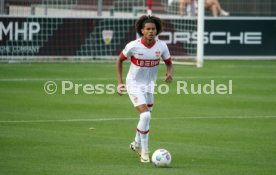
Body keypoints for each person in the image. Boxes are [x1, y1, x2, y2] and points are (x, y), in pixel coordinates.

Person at [116, 15, 173, 163]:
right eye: (148, 29)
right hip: (133, 83)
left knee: (146, 117)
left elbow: (169, 62)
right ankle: (145, 152)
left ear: (157, 30)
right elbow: (120, 60)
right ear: (142, 30)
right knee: (146, 116)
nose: (151, 31)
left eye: (153, 29)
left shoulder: (161, 46)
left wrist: (169, 74)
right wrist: (120, 82)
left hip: (149, 86)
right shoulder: (133, 45)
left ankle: (136, 143)